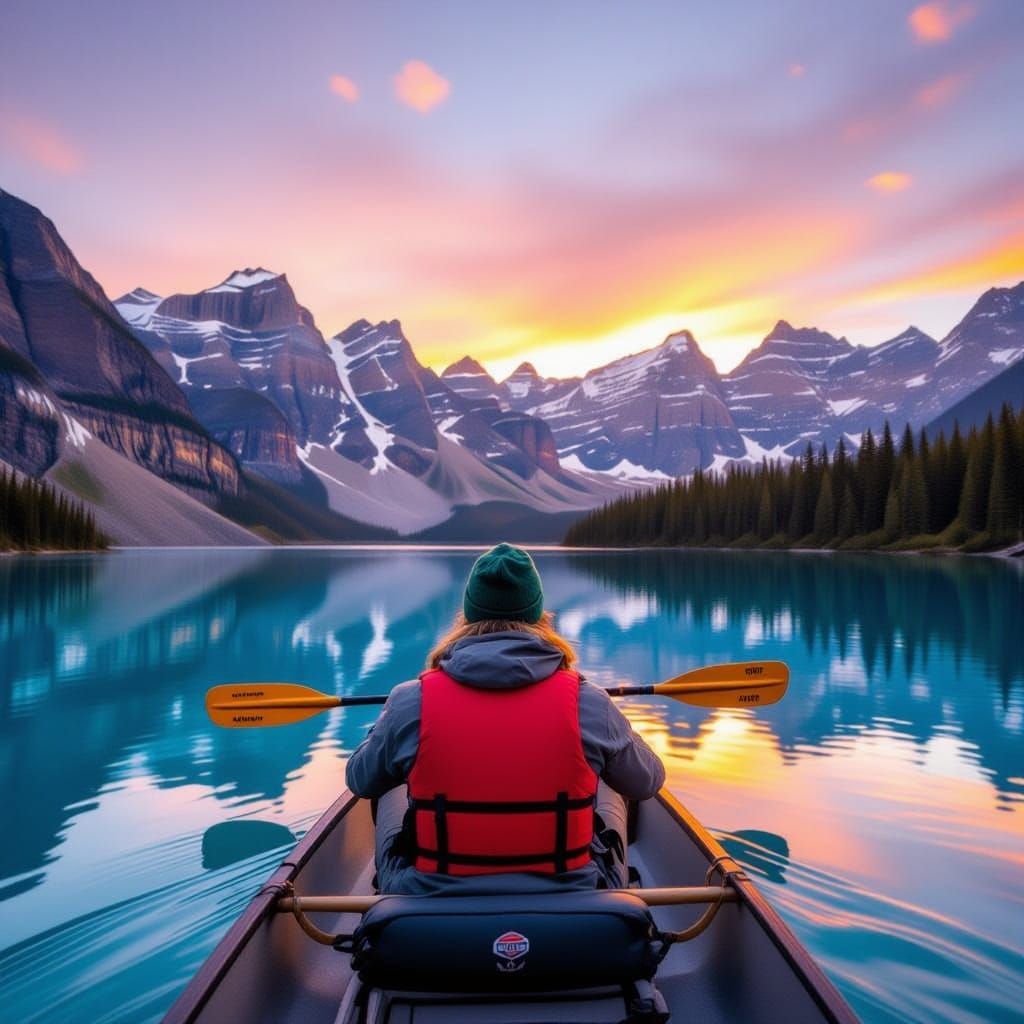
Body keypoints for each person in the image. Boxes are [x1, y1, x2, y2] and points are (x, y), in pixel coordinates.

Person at [345, 542, 665, 896]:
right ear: (538, 614)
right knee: (606, 784)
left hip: (429, 896)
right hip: (573, 894)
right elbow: (647, 782)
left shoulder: (410, 701)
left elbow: (360, 780)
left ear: (467, 614)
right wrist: (616, 729)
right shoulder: (590, 703)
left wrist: (387, 724)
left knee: (392, 787)